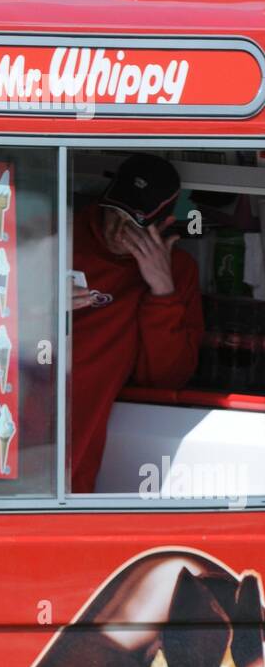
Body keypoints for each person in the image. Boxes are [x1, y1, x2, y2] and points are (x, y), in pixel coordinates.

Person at [70, 154, 204, 492]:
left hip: (83, 456)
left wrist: (162, 292)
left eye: (133, 222)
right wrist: (41, 307)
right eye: (113, 212)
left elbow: (166, 377)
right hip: (20, 430)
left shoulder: (177, 270)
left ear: (162, 224)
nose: (117, 229)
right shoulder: (60, 236)